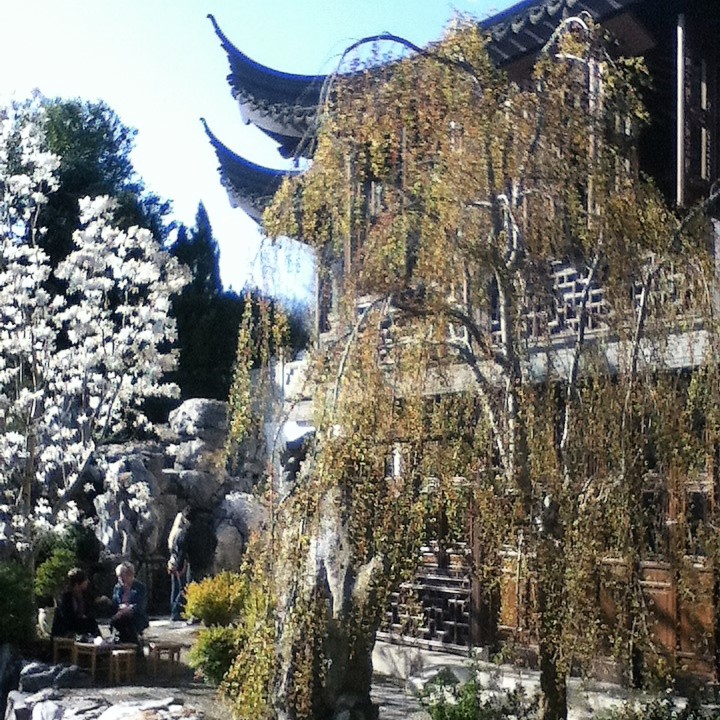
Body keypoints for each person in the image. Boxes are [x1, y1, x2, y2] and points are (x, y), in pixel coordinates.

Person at [51, 568, 101, 639]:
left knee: (92, 622)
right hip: (66, 627)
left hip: (76, 624)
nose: (87, 582)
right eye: (85, 580)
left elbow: (88, 611)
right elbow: (67, 617)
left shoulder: (83, 594)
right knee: (89, 624)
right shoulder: (66, 596)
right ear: (77, 583)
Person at [109, 561, 149, 644]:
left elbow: (141, 605)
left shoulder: (140, 587)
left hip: (136, 615)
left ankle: (135, 646)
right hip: (120, 615)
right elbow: (115, 604)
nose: (120, 580)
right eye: (119, 577)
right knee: (118, 620)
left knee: (125, 622)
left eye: (122, 577)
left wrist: (129, 608)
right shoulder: (117, 587)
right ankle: (134, 645)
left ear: (130, 575)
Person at [167, 509, 191, 621]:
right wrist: (182, 566)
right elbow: (183, 553)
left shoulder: (174, 534)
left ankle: (174, 611)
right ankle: (177, 612)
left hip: (173, 562)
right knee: (182, 589)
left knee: (175, 589)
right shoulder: (182, 533)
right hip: (180, 565)